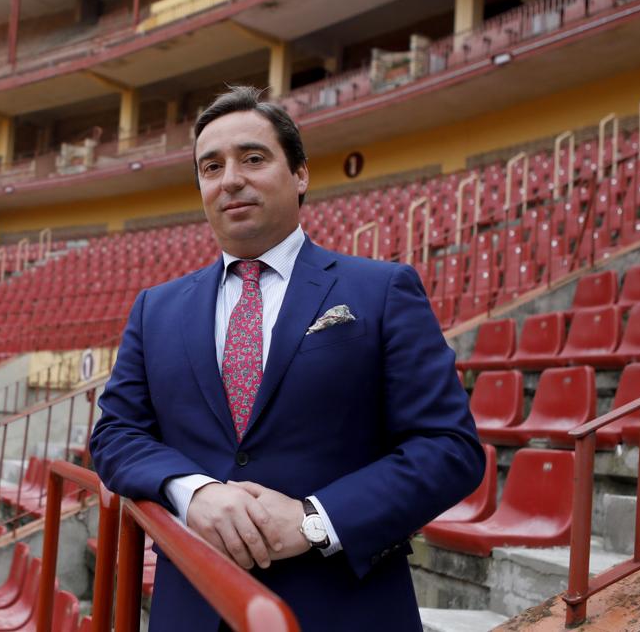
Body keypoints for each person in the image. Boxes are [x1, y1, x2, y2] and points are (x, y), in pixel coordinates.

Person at [89, 85, 483, 630]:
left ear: (300, 174)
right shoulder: (155, 308)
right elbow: (114, 434)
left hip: (343, 606)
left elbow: (450, 449)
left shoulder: (383, 289)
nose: (230, 179)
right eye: (211, 166)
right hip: (194, 606)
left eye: (253, 158)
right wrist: (193, 492)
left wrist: (313, 522)